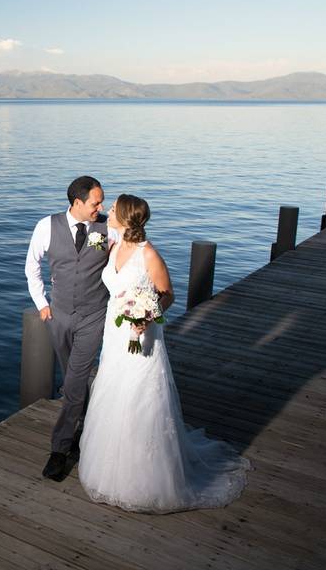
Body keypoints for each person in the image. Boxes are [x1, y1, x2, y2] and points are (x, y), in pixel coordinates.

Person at [78, 194, 249, 513]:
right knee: (113, 391)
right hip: (114, 333)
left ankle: (146, 479)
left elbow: (167, 294)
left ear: (127, 218)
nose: (109, 212)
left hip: (142, 336)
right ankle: (110, 468)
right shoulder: (113, 244)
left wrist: (147, 316)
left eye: (113, 209)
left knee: (140, 397)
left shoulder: (149, 254)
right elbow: (97, 263)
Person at [25, 176, 120, 482]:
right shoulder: (46, 227)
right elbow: (32, 266)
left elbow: (130, 260)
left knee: (75, 380)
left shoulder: (110, 229)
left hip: (94, 315)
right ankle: (86, 427)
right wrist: (42, 303)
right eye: (96, 202)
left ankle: (59, 450)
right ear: (77, 203)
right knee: (73, 381)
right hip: (59, 316)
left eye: (102, 202)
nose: (101, 207)